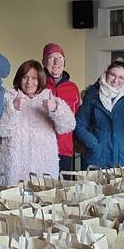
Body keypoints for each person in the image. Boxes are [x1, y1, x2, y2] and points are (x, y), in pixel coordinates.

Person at [0, 60, 76, 184]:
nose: (29, 82)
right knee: (13, 195)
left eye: (34, 78)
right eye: (25, 77)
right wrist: (13, 109)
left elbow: (68, 125)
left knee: (44, 194)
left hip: (44, 168)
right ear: (19, 78)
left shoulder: (49, 98)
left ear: (40, 80)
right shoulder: (8, 98)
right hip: (15, 168)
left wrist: (56, 108)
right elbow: (0, 131)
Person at [74, 59, 124, 169]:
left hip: (123, 159)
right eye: (112, 75)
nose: (116, 80)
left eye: (121, 77)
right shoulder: (92, 95)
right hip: (95, 158)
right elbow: (79, 125)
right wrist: (93, 144)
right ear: (106, 73)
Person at [42, 43, 81, 173]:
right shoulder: (38, 85)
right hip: (42, 150)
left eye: (60, 58)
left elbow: (77, 117)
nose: (57, 62)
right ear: (44, 62)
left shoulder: (73, 88)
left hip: (65, 149)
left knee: (65, 185)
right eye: (52, 58)